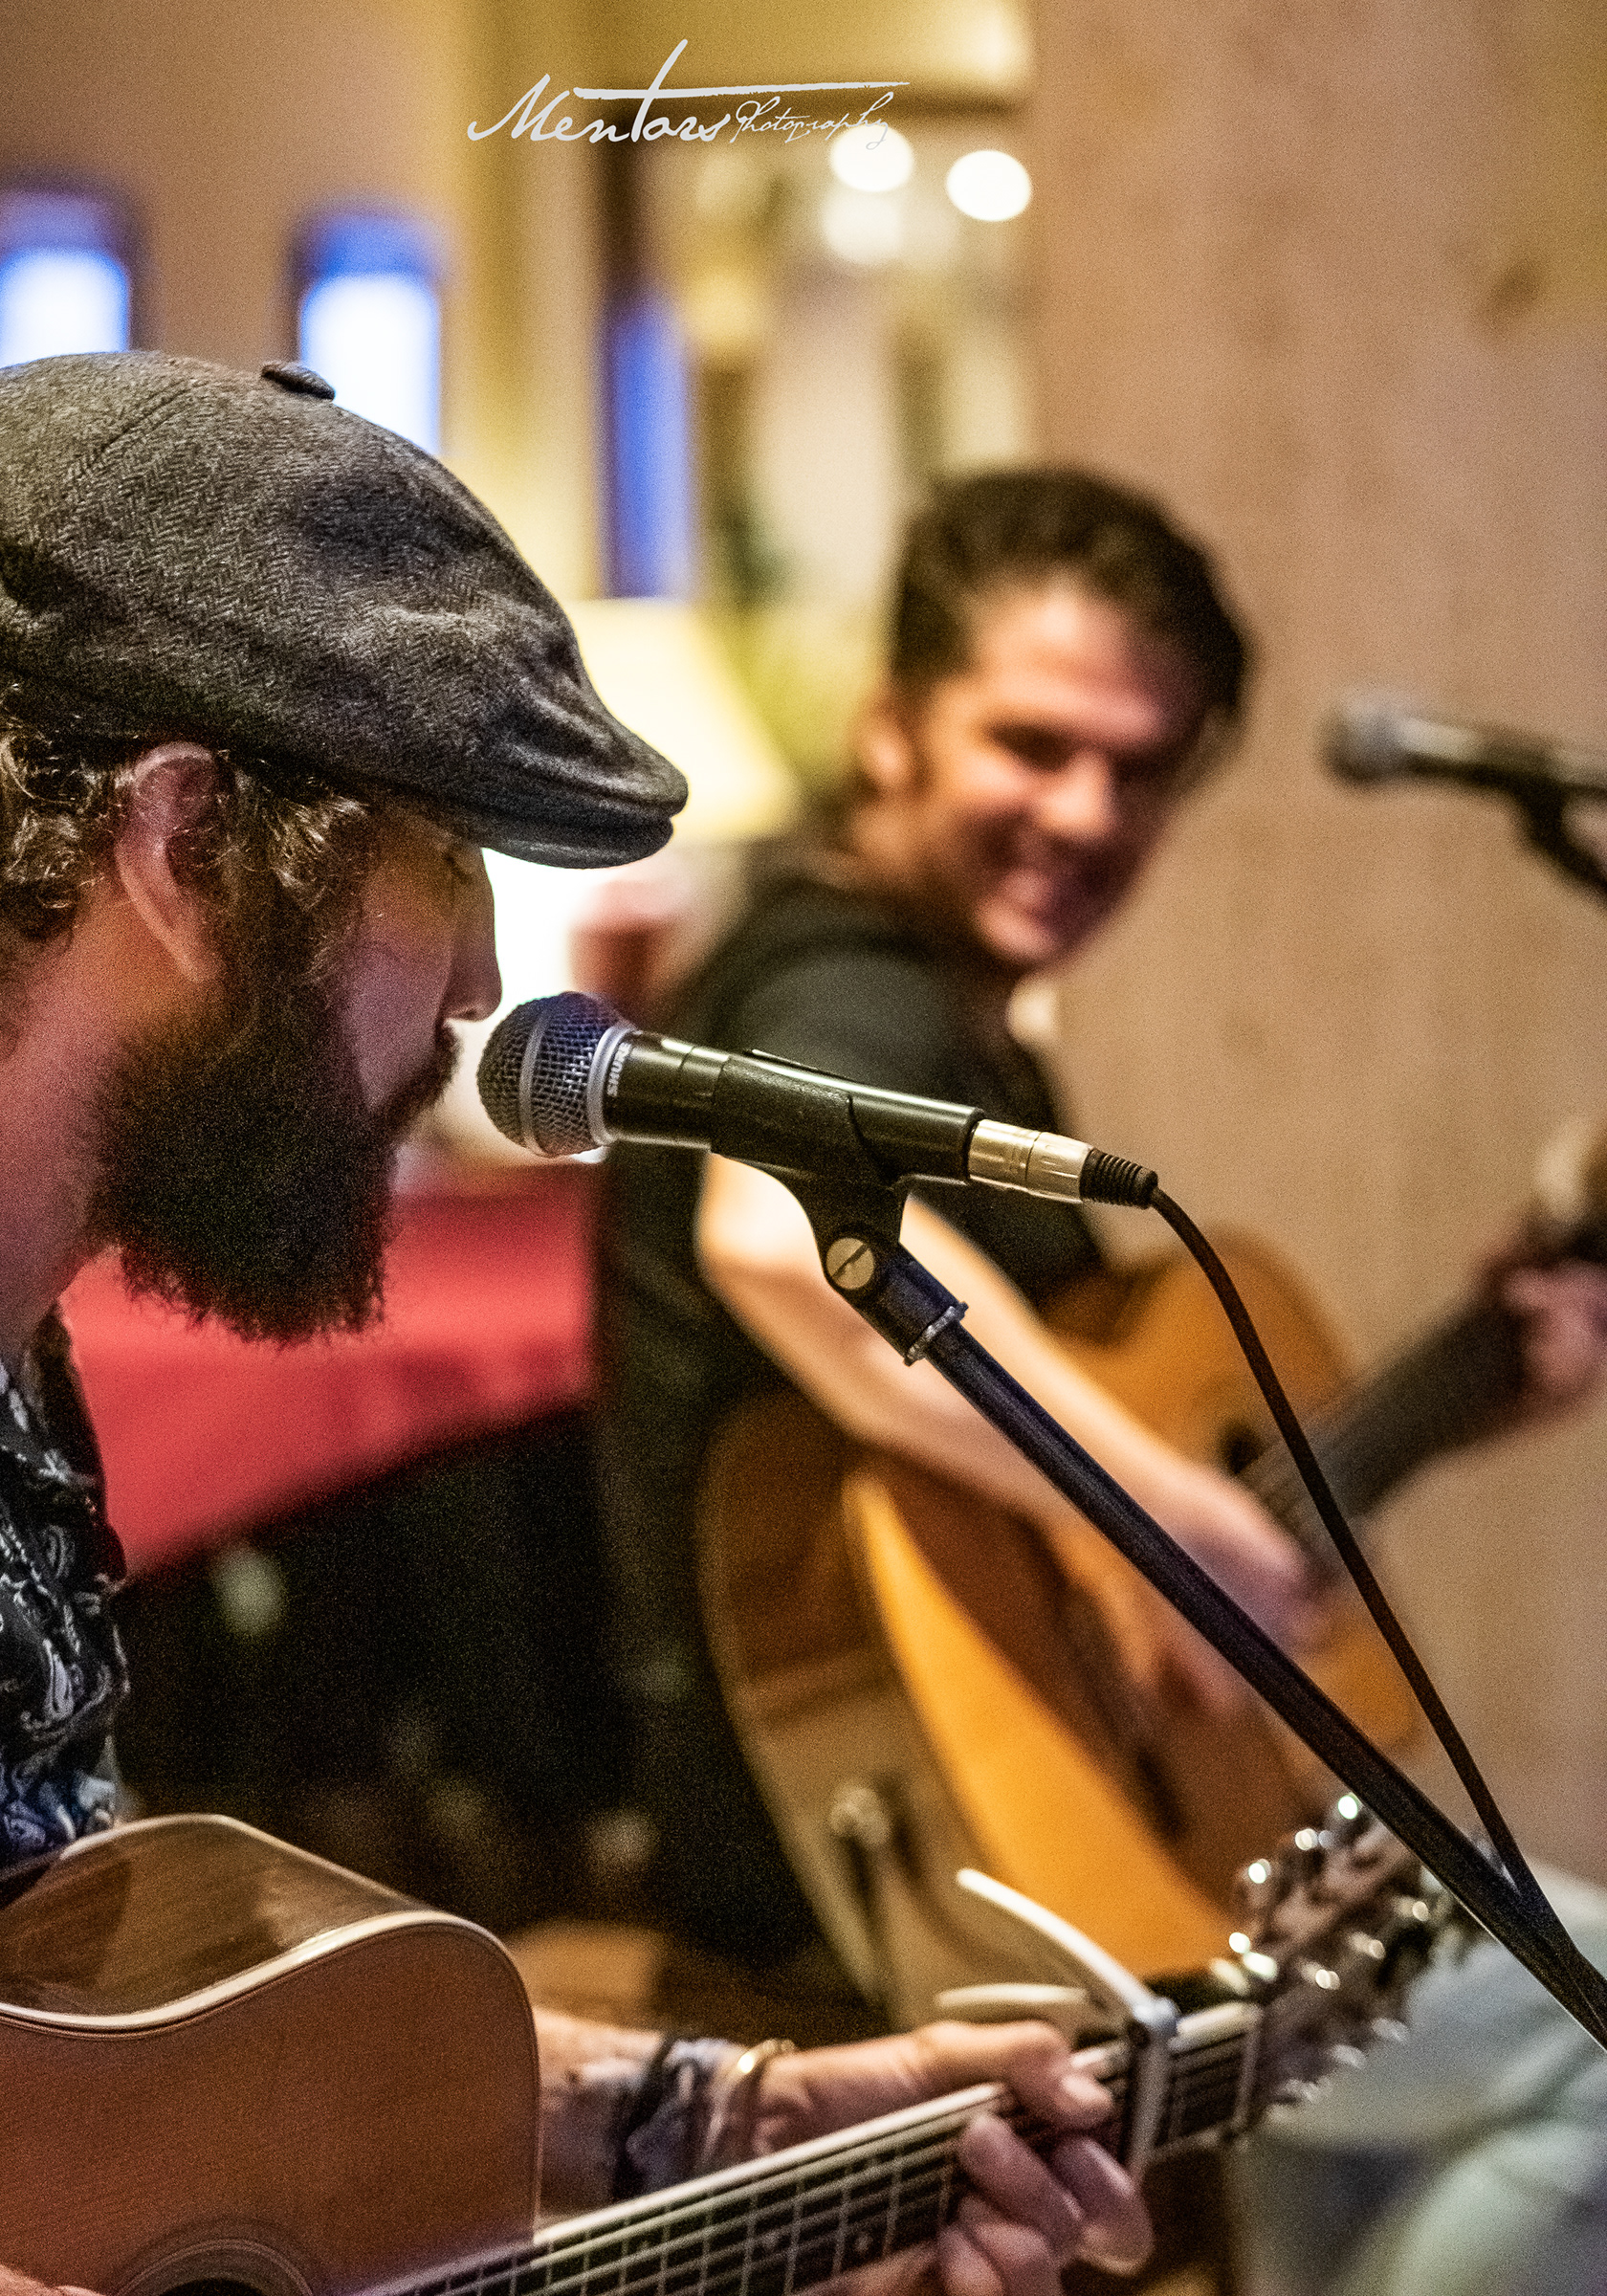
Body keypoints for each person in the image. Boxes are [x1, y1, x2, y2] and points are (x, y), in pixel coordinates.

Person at [0, 359, 1152, 2296]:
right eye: (439, 858)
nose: (488, 981)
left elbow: (42, 2001)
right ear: (181, 848)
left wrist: (718, 2123)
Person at [594, 466, 1607, 2294]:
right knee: (1591, 2062)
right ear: (890, 725)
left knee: (1371, 2104)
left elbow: (1141, 1527)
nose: (1087, 811)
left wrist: (1454, 1393)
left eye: (1143, 770)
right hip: (903, 1885)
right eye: (1033, 742)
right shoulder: (852, 999)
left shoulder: (923, 998)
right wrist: (1157, 1517)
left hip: (982, 1830)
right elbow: (772, 1235)